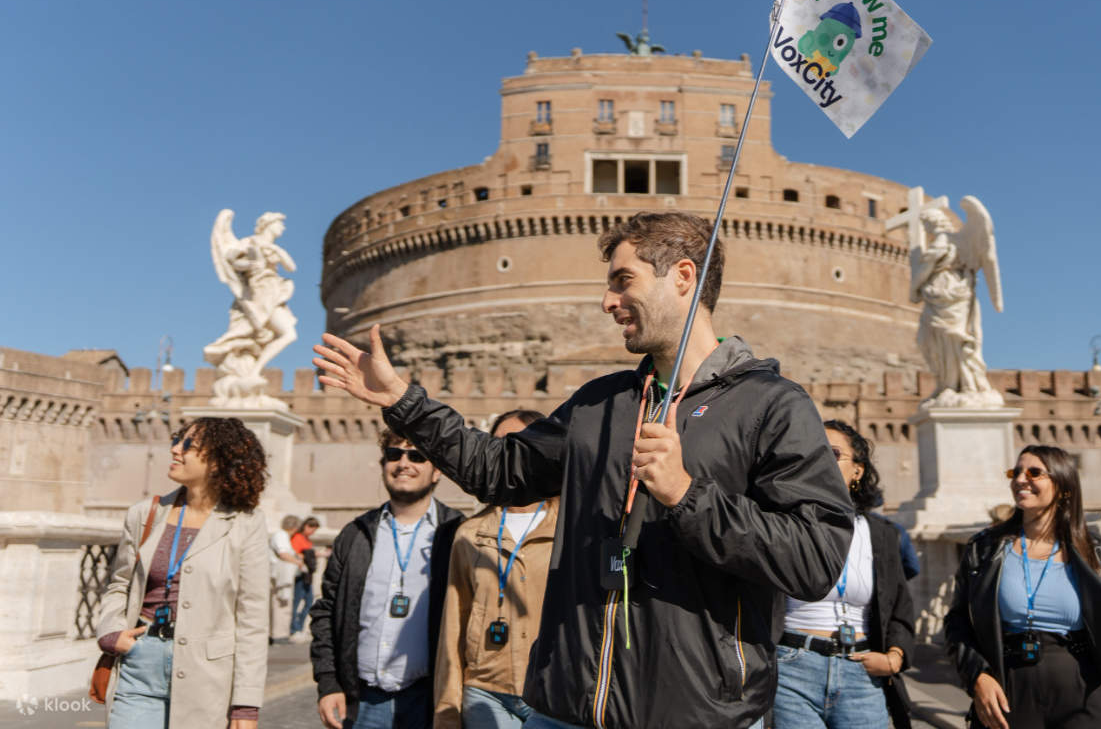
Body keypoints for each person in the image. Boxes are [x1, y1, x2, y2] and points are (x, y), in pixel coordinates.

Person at [313, 211, 854, 729]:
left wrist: (688, 495)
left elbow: (814, 559)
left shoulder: (771, 406)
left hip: (698, 714)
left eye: (624, 281)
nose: (607, 301)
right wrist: (404, 402)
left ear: (684, 276)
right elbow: (497, 471)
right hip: (566, 708)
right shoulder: (599, 404)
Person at [943, 445, 1101, 729]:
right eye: (1016, 472)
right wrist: (977, 676)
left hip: (1085, 693)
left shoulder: (1094, 552)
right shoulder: (984, 548)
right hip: (1011, 691)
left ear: (1062, 486)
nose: (1020, 479)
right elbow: (957, 622)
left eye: (1034, 473)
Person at [95, 417, 270, 728]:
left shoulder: (246, 524)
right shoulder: (145, 514)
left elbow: (252, 618)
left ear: (218, 461)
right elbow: (119, 584)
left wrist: (246, 704)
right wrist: (111, 632)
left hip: (208, 677)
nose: (175, 449)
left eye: (189, 445)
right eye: (177, 440)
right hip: (140, 664)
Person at [309, 429, 464, 729]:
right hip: (363, 700)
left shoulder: (457, 534)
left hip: (430, 700)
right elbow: (326, 611)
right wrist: (328, 683)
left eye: (417, 456)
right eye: (394, 454)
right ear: (383, 465)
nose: (404, 463)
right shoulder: (355, 534)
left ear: (437, 472)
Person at [773, 420, 914, 729]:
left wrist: (895, 657)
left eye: (833, 453)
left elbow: (900, 605)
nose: (821, 460)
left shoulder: (883, 534)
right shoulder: (782, 523)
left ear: (858, 471)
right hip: (792, 666)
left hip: (862, 671)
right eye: (813, 452)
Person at [436, 409, 557, 729]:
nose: (508, 455)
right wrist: (447, 708)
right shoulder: (470, 534)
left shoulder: (571, 529)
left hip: (554, 693)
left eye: (520, 444)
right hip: (485, 692)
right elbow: (453, 627)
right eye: (499, 445)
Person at [270, 515, 304, 643]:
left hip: (284, 576)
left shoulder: (283, 536)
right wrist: (298, 562)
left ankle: (281, 633)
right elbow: (283, 554)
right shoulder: (281, 535)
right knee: (281, 604)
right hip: (281, 577)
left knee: (283, 604)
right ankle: (279, 635)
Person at [291, 516, 320, 637]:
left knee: (309, 601)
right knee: (297, 601)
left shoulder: (307, 539)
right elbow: (294, 553)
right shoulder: (298, 538)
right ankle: (294, 629)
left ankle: (300, 626)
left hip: (308, 574)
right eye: (312, 529)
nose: (313, 532)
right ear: (306, 526)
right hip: (300, 573)